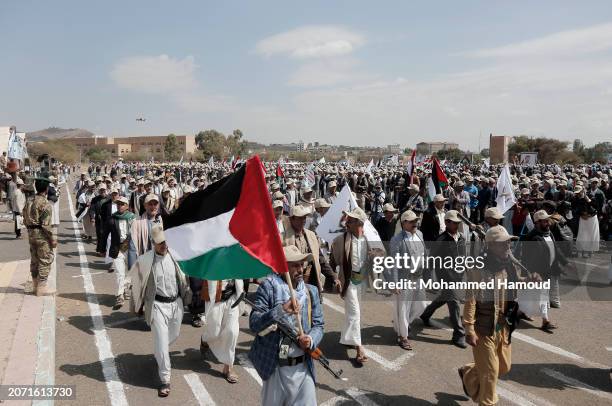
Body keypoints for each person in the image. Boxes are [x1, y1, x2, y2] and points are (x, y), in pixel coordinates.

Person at [249, 245, 324, 406]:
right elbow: (254, 323)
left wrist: (310, 340)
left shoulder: (311, 292)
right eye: (295, 265)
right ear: (283, 267)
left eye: (301, 264)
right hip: (275, 367)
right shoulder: (268, 287)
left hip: (303, 367)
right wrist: (281, 310)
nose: (300, 269)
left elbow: (319, 325)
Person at [459, 225, 520, 406]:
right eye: (503, 243)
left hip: (502, 325)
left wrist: (529, 280)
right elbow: (470, 300)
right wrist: (469, 327)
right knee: (490, 375)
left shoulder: (508, 265)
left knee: (503, 366)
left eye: (509, 242)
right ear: (491, 246)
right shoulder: (478, 268)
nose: (508, 246)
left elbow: (514, 287)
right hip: (483, 327)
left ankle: (469, 372)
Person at [128, 225, 191, 397]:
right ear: (153, 243)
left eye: (165, 242)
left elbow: (185, 279)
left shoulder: (177, 257)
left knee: (174, 335)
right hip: (157, 306)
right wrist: (136, 305)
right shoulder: (146, 260)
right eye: (160, 243)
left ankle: (159, 351)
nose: (163, 245)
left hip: (176, 304)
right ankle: (165, 379)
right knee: (163, 344)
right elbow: (135, 282)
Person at [329, 207, 384, 364]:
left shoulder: (369, 239)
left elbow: (382, 254)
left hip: (362, 282)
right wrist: (333, 279)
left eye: (351, 220)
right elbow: (332, 260)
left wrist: (375, 256)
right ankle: (359, 348)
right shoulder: (341, 240)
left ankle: (348, 339)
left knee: (352, 312)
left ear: (359, 223)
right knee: (355, 313)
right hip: (348, 282)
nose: (347, 222)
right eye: (348, 220)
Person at [420, 210, 468, 348]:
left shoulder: (462, 238)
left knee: (444, 298)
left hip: (458, 276)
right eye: (454, 222)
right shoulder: (441, 240)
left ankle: (425, 314)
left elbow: (463, 257)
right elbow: (431, 259)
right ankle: (458, 335)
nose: (457, 225)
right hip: (446, 277)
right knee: (454, 303)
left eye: (458, 223)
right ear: (447, 223)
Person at [518, 209, 569, 332]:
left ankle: (519, 312)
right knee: (541, 296)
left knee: (528, 295)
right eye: (544, 221)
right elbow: (528, 259)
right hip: (537, 273)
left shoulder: (548, 233)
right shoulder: (532, 238)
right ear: (537, 223)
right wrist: (532, 274)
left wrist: (566, 263)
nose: (548, 223)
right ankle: (545, 321)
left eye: (548, 220)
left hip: (546, 271)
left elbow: (555, 250)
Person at [389, 210, 428, 350]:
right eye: (411, 221)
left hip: (418, 277)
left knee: (422, 305)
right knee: (404, 309)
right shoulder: (397, 240)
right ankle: (403, 336)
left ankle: (402, 323)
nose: (415, 223)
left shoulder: (420, 234)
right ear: (404, 223)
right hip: (404, 279)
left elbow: (424, 255)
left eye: (416, 221)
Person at [282, 205, 338, 297]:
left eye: (304, 218)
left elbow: (320, 259)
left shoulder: (311, 235)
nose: (303, 220)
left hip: (311, 280)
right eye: (299, 218)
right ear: (292, 219)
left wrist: (333, 277)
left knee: (313, 307)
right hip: (291, 282)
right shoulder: (283, 238)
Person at [199, 279, 243, 383]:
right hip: (215, 298)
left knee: (232, 332)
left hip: (232, 298)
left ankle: (228, 367)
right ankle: (205, 339)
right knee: (213, 333)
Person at [23, 176, 57, 296]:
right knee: (45, 259)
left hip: (31, 233)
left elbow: (24, 217)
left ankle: (35, 286)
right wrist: (52, 239)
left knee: (34, 260)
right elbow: (46, 225)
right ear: (46, 189)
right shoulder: (45, 203)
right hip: (41, 235)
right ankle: (42, 288)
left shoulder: (29, 200)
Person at [108, 196, 136, 309]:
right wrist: (101, 248)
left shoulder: (132, 218)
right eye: (118, 204)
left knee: (130, 272)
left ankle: (126, 289)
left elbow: (137, 234)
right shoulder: (113, 218)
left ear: (127, 206)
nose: (120, 206)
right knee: (120, 272)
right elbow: (105, 232)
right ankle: (120, 295)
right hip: (117, 248)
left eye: (122, 204)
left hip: (130, 249)